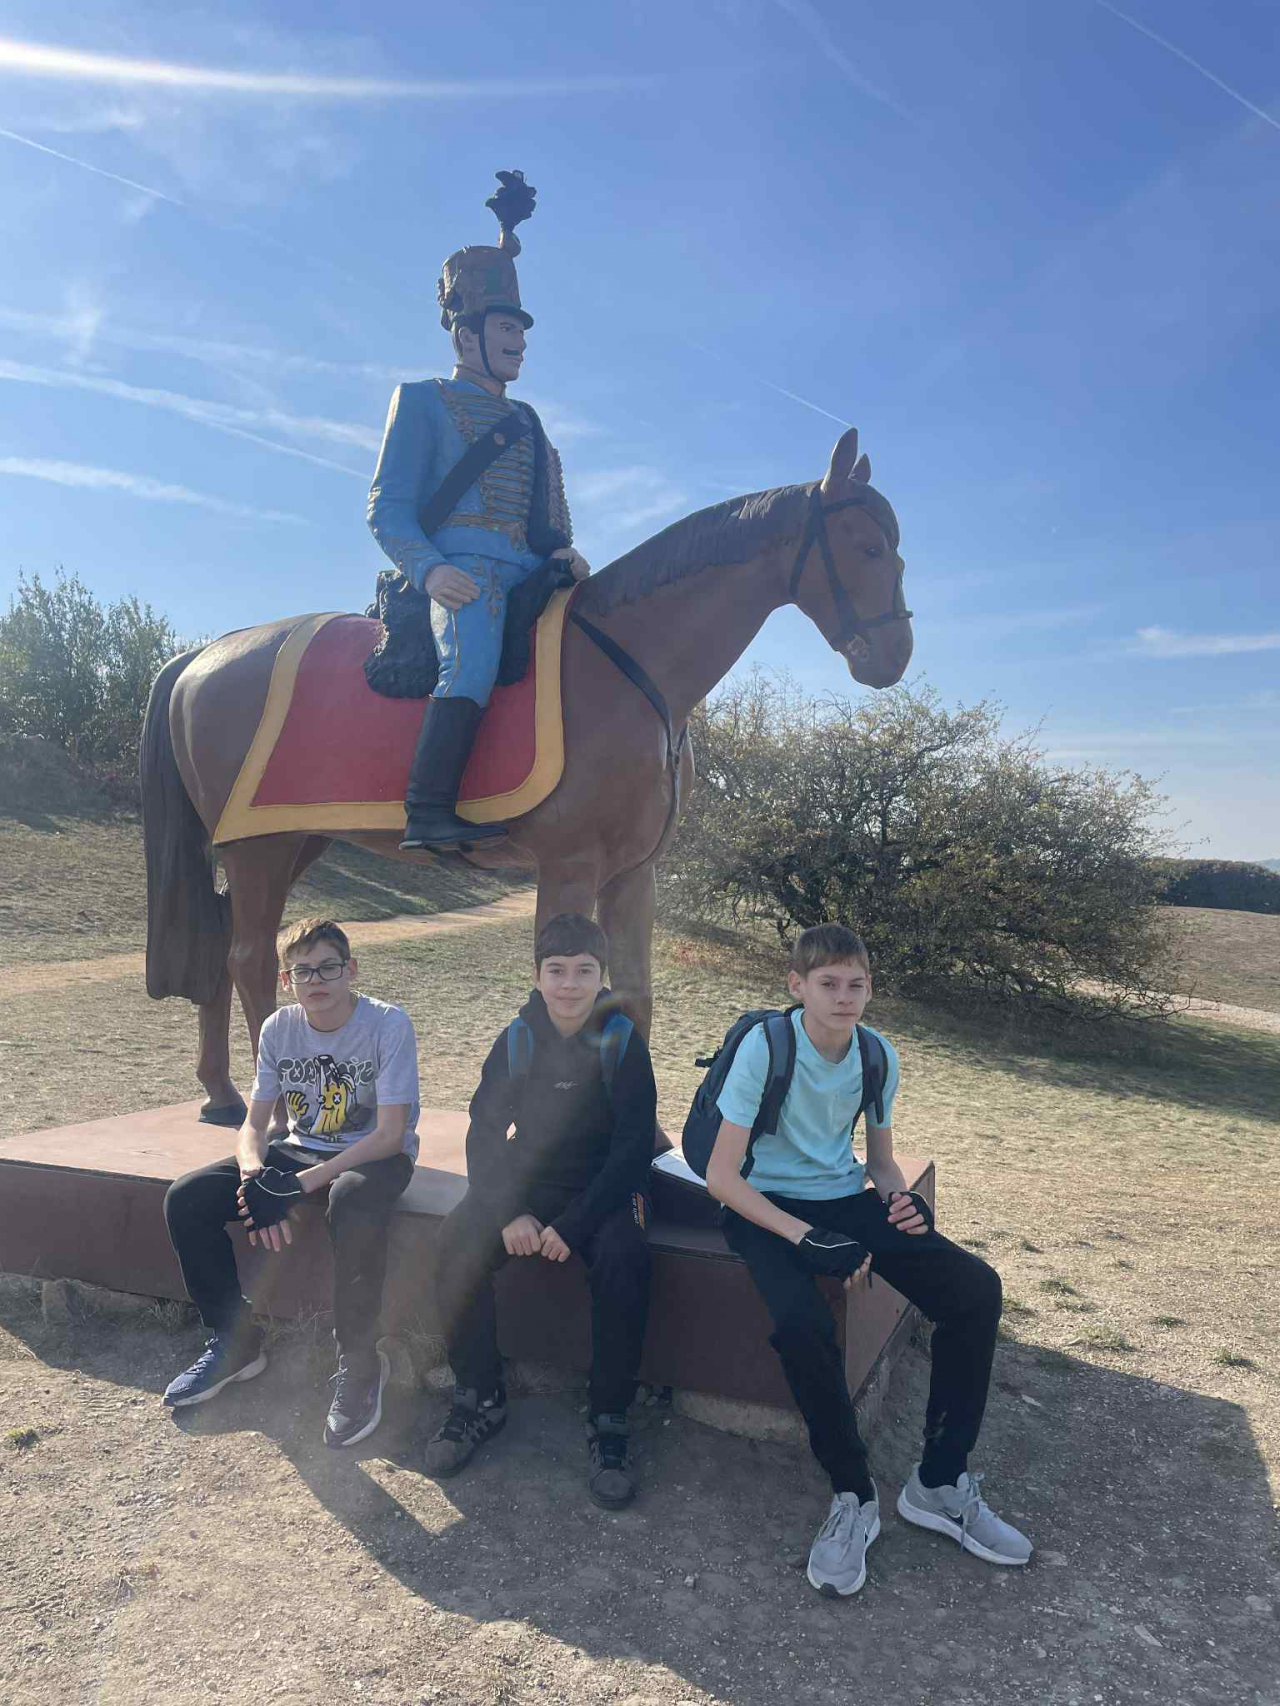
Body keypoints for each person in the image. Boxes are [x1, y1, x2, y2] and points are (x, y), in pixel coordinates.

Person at [705, 922, 1031, 1597]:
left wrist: (902, 1203)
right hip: (762, 1207)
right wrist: (802, 1236)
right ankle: (853, 1494)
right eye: (828, 983)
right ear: (797, 986)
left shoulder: (877, 1054)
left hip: (843, 1198)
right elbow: (722, 1178)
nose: (843, 996)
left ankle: (939, 1483)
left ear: (870, 988)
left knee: (975, 1290)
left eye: (856, 984)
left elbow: (880, 1163)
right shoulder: (767, 1048)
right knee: (801, 1324)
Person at [366, 169, 590, 852]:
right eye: (505, 327)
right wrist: (431, 570)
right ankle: (428, 809)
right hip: (461, 572)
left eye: (520, 328)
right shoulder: (421, 400)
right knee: (470, 662)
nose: (519, 340)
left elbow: (546, 514)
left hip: (529, 571)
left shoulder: (529, 421)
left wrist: (563, 552)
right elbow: (386, 507)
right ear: (467, 338)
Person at [425, 913, 655, 1508]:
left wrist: (575, 1225)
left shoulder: (622, 1040)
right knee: (455, 1242)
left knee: (624, 1258)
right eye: (557, 970)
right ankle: (479, 1394)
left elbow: (633, 1148)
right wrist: (510, 1212)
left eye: (584, 971)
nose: (570, 985)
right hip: (527, 1183)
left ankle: (608, 1414)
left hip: (604, 1186)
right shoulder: (518, 1038)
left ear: (602, 977)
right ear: (537, 975)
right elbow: (483, 1132)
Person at [162, 919, 420, 1449]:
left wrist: (298, 1186)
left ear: (351, 970)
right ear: (286, 980)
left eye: (328, 967)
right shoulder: (279, 1027)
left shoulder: (387, 1024)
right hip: (300, 1148)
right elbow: (253, 1126)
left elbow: (391, 1134)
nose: (316, 980)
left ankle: (360, 1361)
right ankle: (235, 1342)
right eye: (303, 971)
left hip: (374, 1154)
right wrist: (255, 1177)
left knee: (350, 1200)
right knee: (187, 1198)